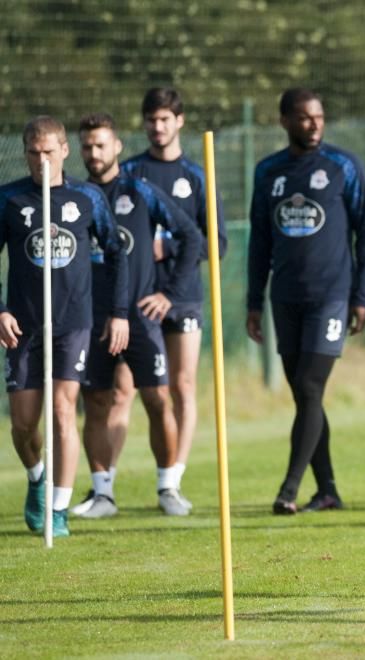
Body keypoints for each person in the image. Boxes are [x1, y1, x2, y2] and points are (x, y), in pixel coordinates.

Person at [247, 88, 365, 514]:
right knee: (307, 397)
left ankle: (288, 489)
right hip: (285, 298)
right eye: (304, 117)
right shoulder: (268, 171)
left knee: (309, 386)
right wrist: (253, 300)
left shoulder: (343, 166)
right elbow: (259, 240)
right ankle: (328, 491)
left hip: (331, 297)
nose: (314, 124)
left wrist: (362, 294)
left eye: (319, 116)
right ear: (285, 121)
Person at [0, 116, 128, 537]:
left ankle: (58, 508)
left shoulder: (86, 197)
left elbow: (116, 252)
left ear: (64, 151)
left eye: (49, 152)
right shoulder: (9, 200)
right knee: (22, 424)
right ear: (25, 153)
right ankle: (37, 476)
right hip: (23, 326)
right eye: (34, 154)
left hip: (73, 323)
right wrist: (1, 310)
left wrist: (120, 312)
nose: (42, 161)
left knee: (62, 411)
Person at [75, 113, 204, 518]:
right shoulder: (73, 197)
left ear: (117, 147)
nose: (94, 153)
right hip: (90, 321)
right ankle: (102, 495)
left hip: (141, 320)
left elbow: (192, 236)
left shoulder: (140, 191)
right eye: (87, 146)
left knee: (157, 399)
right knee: (98, 402)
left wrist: (169, 294)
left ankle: (168, 487)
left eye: (101, 144)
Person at [115, 87, 228, 509]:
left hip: (182, 299)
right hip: (134, 299)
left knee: (181, 386)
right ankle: (104, 485)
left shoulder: (197, 176)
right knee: (124, 391)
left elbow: (216, 243)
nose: (157, 127)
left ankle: (171, 484)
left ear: (179, 121)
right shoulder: (128, 173)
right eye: (151, 120)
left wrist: (167, 247)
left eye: (165, 119)